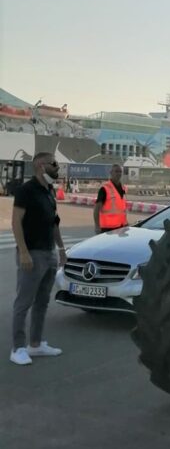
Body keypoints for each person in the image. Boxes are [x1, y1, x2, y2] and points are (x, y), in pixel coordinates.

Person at [10, 152, 66, 365]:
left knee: (42, 301)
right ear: (41, 166)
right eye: (54, 164)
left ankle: (36, 344)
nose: (57, 167)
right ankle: (17, 348)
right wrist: (23, 251)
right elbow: (16, 222)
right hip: (31, 253)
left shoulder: (49, 190)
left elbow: (54, 223)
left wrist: (61, 249)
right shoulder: (26, 191)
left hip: (49, 253)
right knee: (23, 302)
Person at [93, 164, 128, 234]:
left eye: (120, 172)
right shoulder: (104, 189)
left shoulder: (123, 188)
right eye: (116, 171)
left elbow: (122, 209)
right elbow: (96, 209)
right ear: (111, 173)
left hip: (121, 227)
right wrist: (97, 226)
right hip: (107, 229)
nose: (119, 173)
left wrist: (126, 223)